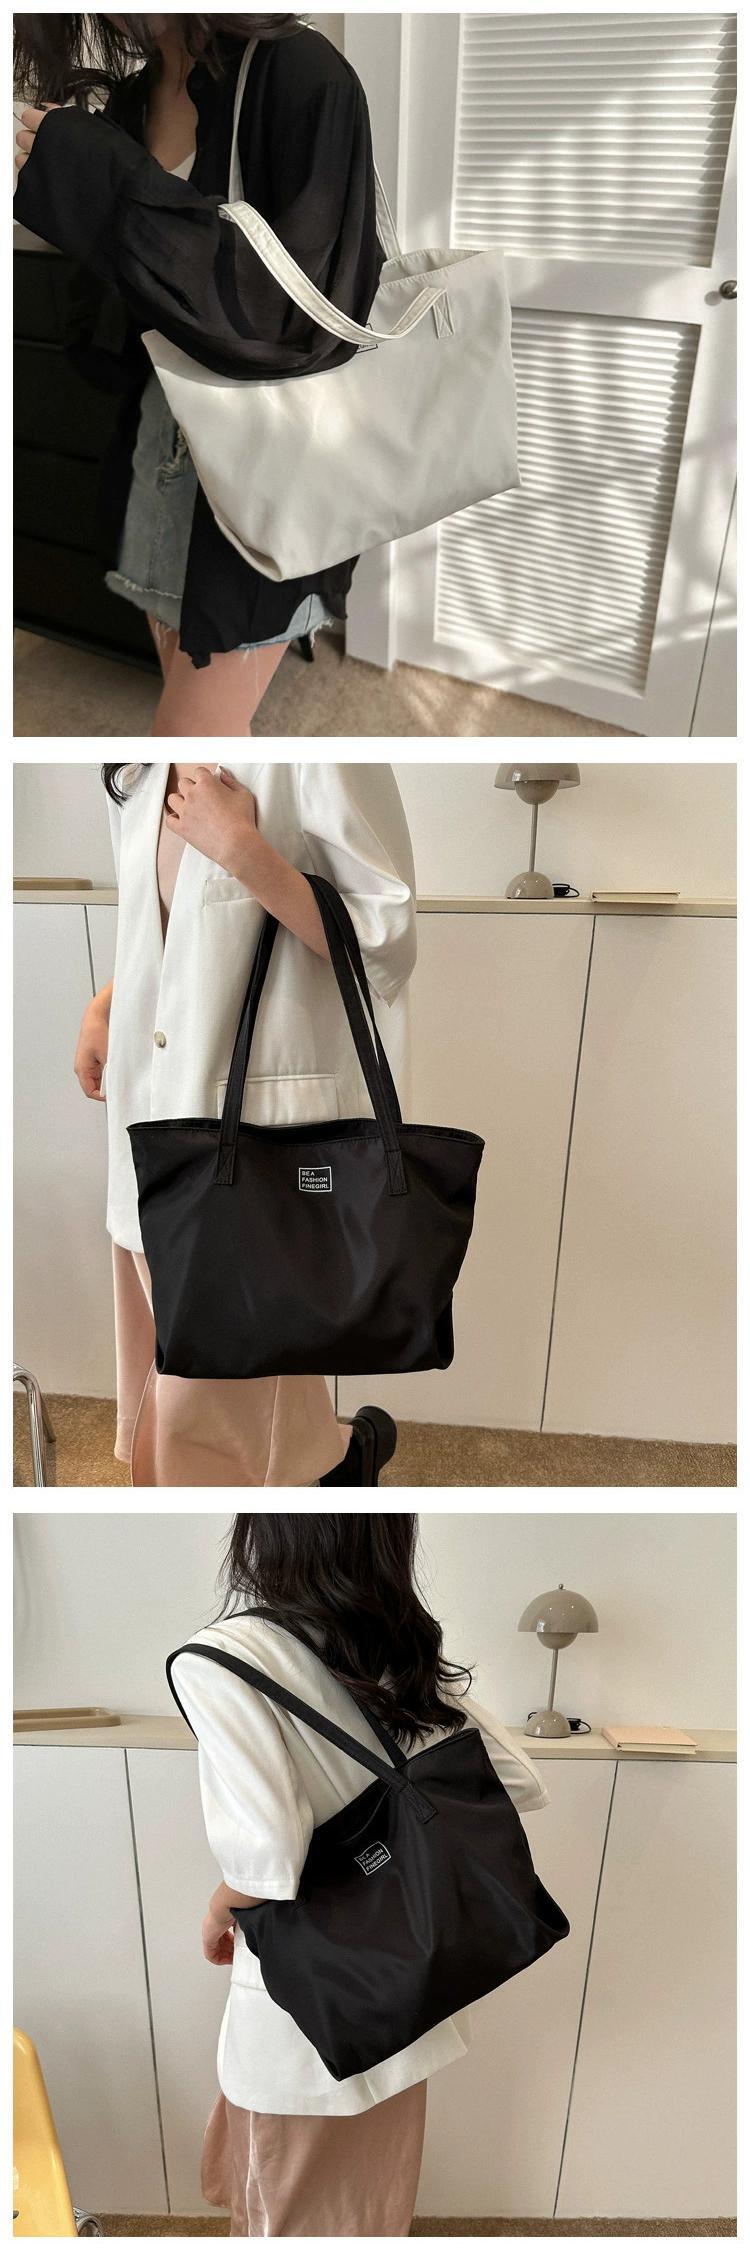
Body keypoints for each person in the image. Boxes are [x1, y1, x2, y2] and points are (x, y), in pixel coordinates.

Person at [168, 1513, 549, 2238]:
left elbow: (267, 1858)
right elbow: (517, 1780)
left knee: (284, 2211)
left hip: (311, 2015)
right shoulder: (391, 1645)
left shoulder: (219, 1659)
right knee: (370, 2209)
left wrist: (218, 1910)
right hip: (407, 2004)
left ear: (265, 1534)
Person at [13, 15, 383, 735]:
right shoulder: (137, 95)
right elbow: (118, 321)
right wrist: (73, 186)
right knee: (203, 732)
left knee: (183, 741)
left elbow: (302, 318)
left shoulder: (301, 72)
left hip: (267, 481)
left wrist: (108, 186)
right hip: (157, 449)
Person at [73, 761, 417, 1487]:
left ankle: (330, 1467)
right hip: (152, 1112)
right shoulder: (134, 767)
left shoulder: (313, 752)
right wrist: (107, 1004)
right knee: (197, 1386)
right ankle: (338, 1461)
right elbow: (172, 920)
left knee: (208, 1424)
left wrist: (242, 849)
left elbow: (386, 939)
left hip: (248, 1138)